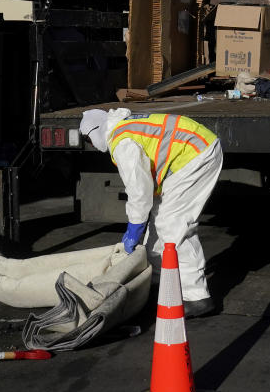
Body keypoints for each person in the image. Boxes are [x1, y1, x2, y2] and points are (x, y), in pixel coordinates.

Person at [79, 108, 223, 318]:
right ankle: (157, 284)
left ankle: (197, 296)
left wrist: (134, 228)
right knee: (159, 221)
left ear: (96, 131)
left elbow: (138, 191)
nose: (93, 145)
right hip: (192, 151)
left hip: (197, 154)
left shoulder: (123, 142)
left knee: (174, 225)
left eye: (90, 140)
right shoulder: (124, 128)